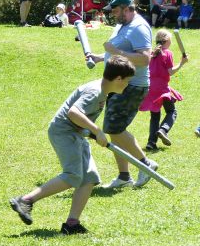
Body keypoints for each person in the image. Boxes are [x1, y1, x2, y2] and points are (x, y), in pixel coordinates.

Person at [9, 56, 136, 234]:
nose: (127, 85)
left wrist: (91, 133)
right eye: (127, 81)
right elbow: (73, 112)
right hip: (64, 133)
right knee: (73, 175)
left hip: (76, 134)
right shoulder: (95, 92)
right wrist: (97, 130)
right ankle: (25, 200)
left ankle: (72, 224)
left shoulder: (102, 91)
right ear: (118, 79)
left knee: (89, 177)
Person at [88, 0, 156, 188]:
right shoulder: (123, 25)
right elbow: (117, 51)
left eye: (116, 11)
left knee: (114, 129)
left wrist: (115, 52)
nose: (113, 15)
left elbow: (145, 59)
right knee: (114, 129)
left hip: (132, 86)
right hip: (118, 84)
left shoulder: (139, 27)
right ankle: (124, 177)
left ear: (127, 9)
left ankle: (146, 164)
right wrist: (100, 57)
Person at [139, 30, 188, 151]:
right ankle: (163, 130)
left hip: (150, 88)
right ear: (167, 41)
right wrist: (182, 63)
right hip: (161, 88)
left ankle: (151, 143)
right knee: (172, 111)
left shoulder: (152, 53)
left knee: (155, 116)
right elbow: (170, 72)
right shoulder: (167, 53)